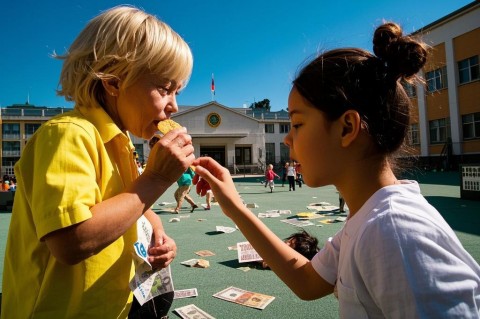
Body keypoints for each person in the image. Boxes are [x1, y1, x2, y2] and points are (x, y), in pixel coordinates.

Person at [192, 22, 480, 318]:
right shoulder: (368, 218)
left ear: (347, 128)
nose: (288, 138)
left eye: (298, 124)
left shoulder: (394, 232)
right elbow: (308, 282)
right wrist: (235, 207)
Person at [1, 6, 194, 318]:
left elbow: (125, 205)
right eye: (165, 88)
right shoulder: (67, 134)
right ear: (115, 82)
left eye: (177, 91)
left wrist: (157, 230)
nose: (174, 105)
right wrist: (156, 179)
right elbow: (72, 242)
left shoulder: (123, 142)